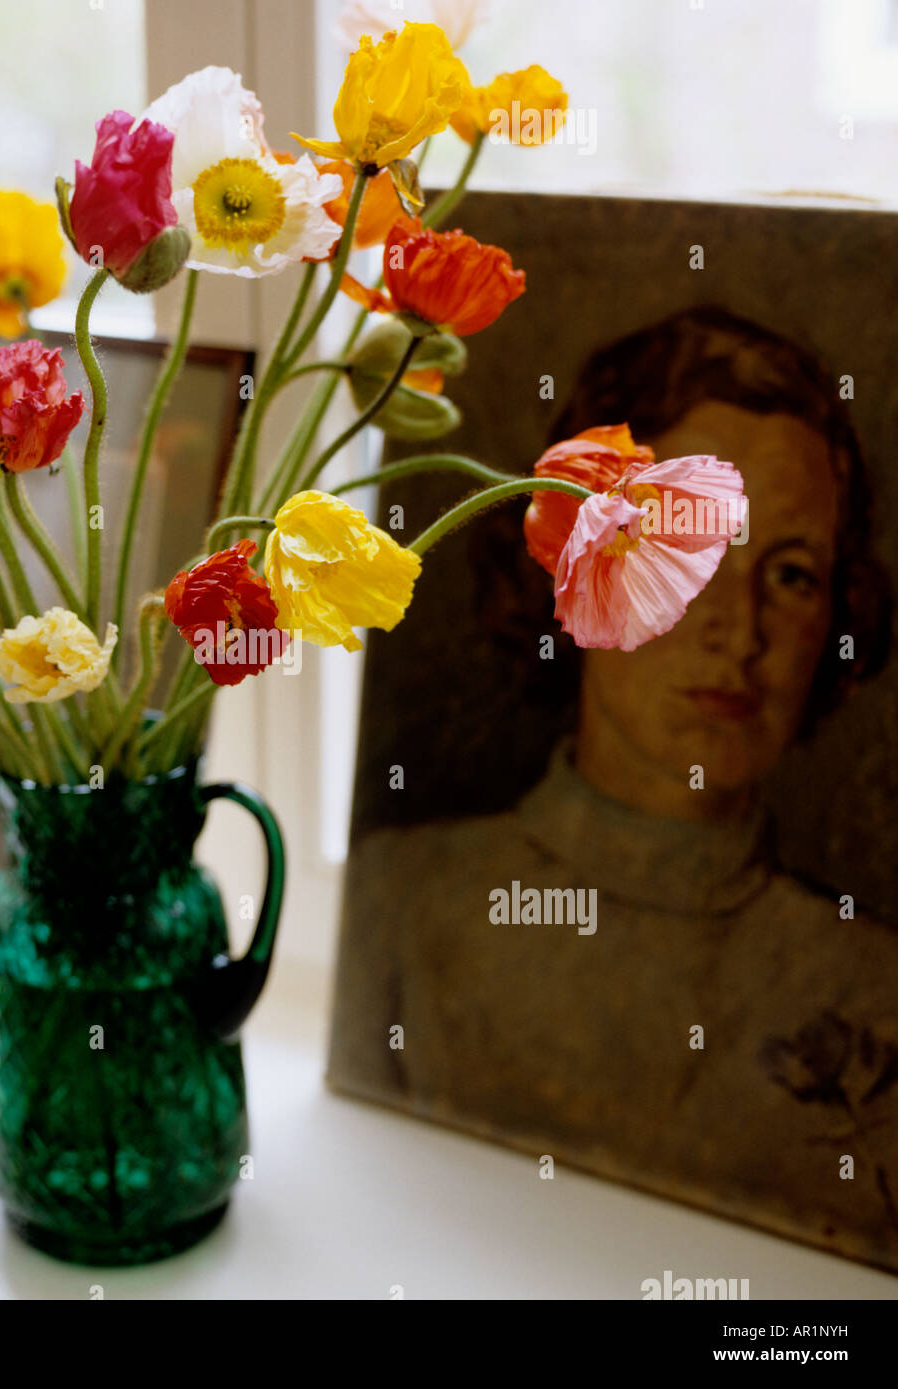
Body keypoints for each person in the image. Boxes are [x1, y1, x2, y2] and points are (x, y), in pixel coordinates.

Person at [329, 307, 898, 1268]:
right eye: (689, 551)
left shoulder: (873, 981)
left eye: (793, 576)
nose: (740, 631)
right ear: (572, 562)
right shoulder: (399, 905)